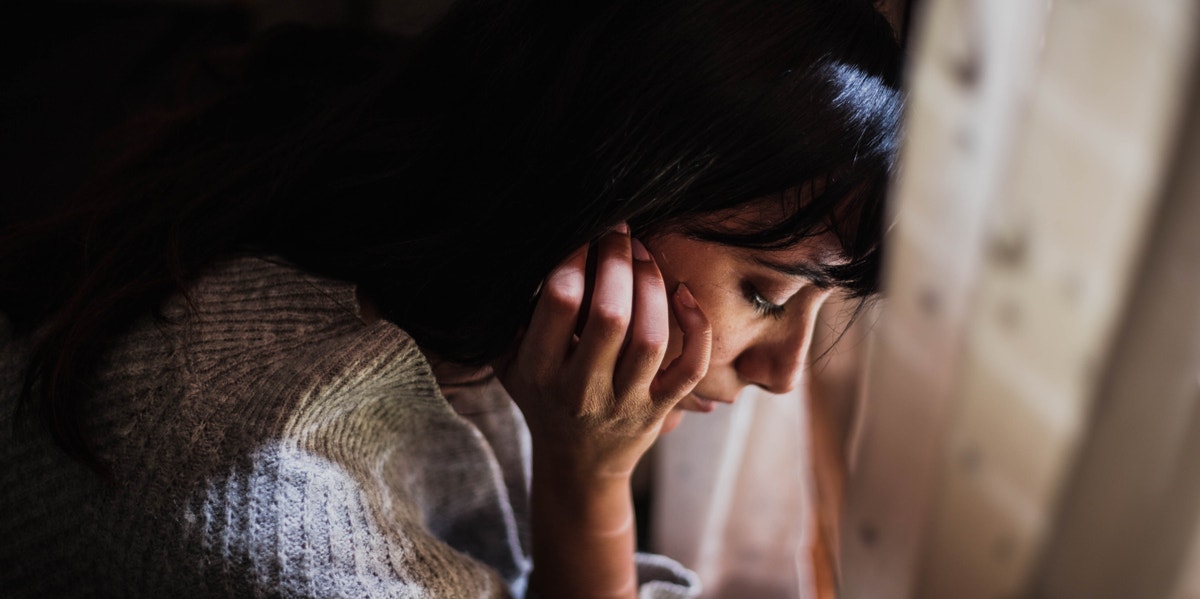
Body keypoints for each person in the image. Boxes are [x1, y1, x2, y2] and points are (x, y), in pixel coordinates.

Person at [0, 0, 903, 596]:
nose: (786, 374)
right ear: (601, 190)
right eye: (767, 292)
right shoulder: (282, 503)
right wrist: (588, 485)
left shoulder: (402, 177)